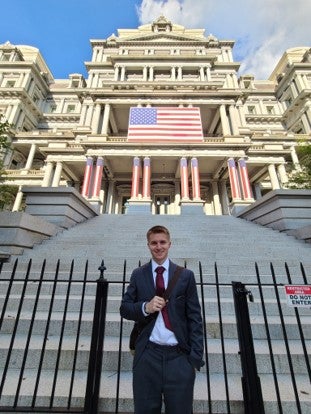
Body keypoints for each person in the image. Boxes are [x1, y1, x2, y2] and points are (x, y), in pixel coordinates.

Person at [120, 225, 204, 414]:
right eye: (154, 243)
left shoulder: (185, 276)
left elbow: (195, 318)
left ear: (169, 244)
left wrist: (194, 357)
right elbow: (124, 309)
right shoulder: (138, 274)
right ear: (148, 245)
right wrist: (145, 307)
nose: (158, 247)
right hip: (148, 355)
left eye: (162, 242)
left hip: (179, 357)